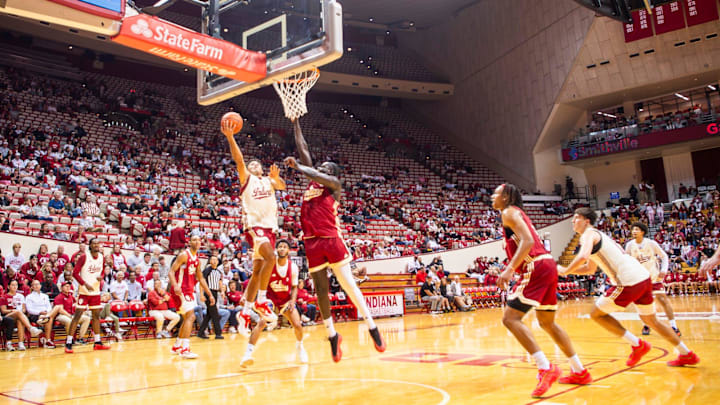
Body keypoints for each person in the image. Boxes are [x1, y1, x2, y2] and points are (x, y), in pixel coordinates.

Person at [285, 118, 385, 362]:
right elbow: (304, 149)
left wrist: (298, 167)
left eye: (328, 168)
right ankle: (332, 335)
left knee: (348, 284)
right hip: (311, 242)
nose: (324, 170)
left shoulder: (334, 185)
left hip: (331, 239)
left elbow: (309, 167)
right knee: (321, 290)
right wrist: (296, 124)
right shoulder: (314, 179)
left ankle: (372, 326)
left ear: (334, 175)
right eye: (323, 168)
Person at [559, 208, 699, 368]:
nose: (572, 221)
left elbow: (582, 256)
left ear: (587, 221)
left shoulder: (588, 234)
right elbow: (589, 269)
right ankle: (686, 353)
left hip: (627, 281)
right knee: (651, 321)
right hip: (643, 278)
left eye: (576, 218)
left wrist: (566, 270)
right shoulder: (598, 235)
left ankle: (637, 345)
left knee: (596, 314)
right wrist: (563, 270)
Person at [493, 184, 591, 397]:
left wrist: (510, 269)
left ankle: (545, 367)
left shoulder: (509, 212)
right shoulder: (517, 214)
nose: (493, 196)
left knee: (510, 318)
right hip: (547, 265)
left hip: (536, 266)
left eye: (497, 193)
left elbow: (528, 241)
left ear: (507, 196)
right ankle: (579, 370)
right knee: (548, 323)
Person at [222, 117, 286, 325]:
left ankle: (245, 311)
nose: (253, 165)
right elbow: (239, 160)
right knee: (272, 257)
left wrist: (276, 178)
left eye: (256, 163)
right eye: (251, 164)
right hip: (255, 226)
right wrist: (231, 138)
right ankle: (261, 300)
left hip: (270, 228)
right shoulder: (246, 179)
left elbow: (283, 186)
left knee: (258, 271)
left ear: (261, 168)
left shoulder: (267, 181)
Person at [242, 239, 308, 366]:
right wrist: (246, 295)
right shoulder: (270, 264)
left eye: (285, 247)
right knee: (261, 323)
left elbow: (294, 287)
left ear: (289, 250)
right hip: (270, 299)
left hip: (284, 300)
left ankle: (300, 347)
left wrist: (292, 300)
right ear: (276, 250)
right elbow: (255, 279)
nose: (282, 249)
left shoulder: (293, 267)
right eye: (280, 247)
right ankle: (248, 354)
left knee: (298, 325)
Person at [625, 222, 680, 336]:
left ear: (642, 232)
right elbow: (627, 261)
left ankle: (674, 326)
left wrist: (664, 270)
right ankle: (646, 325)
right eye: (633, 230)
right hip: (639, 279)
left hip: (654, 277)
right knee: (642, 305)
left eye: (636, 229)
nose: (634, 232)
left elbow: (664, 256)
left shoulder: (651, 243)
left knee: (663, 300)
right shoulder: (630, 245)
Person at [168, 234, 214, 359]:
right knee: (191, 316)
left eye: (199, 239)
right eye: (194, 239)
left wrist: (209, 294)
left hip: (189, 290)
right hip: (180, 290)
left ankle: (177, 345)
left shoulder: (197, 259)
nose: (197, 241)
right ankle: (185, 349)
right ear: (189, 242)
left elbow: (201, 278)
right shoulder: (184, 255)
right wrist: (175, 285)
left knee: (187, 317)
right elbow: (171, 271)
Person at [66, 238, 111, 353]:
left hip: (95, 291)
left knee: (96, 317)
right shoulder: (84, 257)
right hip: (84, 292)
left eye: (98, 243)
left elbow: (101, 271)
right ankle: (69, 343)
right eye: (94, 243)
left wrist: (101, 277)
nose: (96, 245)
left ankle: (97, 342)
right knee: (77, 316)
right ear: (90, 245)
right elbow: (75, 273)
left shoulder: (101, 257)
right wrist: (85, 284)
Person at [0, 279, 42, 351]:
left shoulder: (21, 296)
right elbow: (3, 311)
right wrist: (13, 311)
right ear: (8, 287)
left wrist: (20, 311)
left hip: (19, 316)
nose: (14, 287)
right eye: (12, 285)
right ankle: (30, 328)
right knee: (18, 313)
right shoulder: (4, 297)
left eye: (16, 285)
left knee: (20, 320)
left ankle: (20, 344)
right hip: (8, 316)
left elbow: (24, 309)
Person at [25, 279, 61, 348]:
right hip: (35, 315)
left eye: (37, 284)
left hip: (45, 314)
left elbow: (49, 307)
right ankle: (48, 340)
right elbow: (29, 310)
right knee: (49, 318)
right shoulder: (29, 297)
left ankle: (44, 319)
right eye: (34, 285)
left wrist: (46, 313)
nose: (36, 286)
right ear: (32, 287)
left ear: (40, 286)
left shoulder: (45, 296)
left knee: (55, 309)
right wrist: (39, 312)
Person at [197, 256, 224, 339]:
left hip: (215, 293)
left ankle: (201, 332)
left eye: (216, 260)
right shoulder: (207, 270)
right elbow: (202, 282)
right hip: (209, 293)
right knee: (215, 314)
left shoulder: (219, 272)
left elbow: (220, 282)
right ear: (209, 261)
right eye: (212, 259)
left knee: (209, 314)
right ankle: (218, 333)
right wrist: (201, 294)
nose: (214, 261)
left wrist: (222, 291)